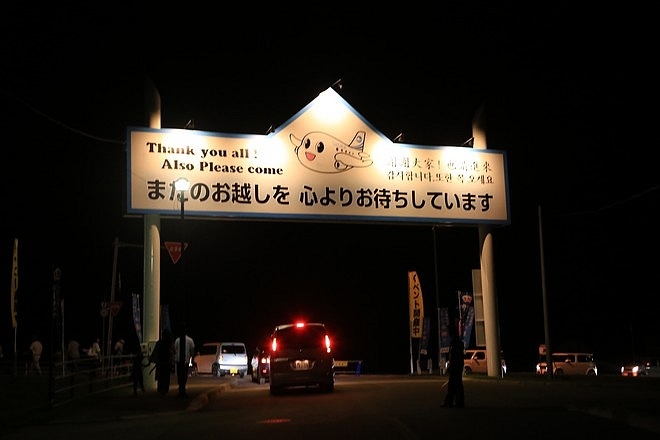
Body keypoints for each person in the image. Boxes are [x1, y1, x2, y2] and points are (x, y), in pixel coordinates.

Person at [442, 322, 465, 408]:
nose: (448, 332)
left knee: (457, 384)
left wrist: (452, 366)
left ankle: (458, 402)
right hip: (456, 366)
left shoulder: (456, 342)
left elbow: (456, 356)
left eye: (449, 330)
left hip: (456, 367)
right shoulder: (454, 341)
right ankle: (450, 401)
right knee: (453, 384)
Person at [150, 329, 174, 395]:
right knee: (166, 377)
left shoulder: (159, 343)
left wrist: (153, 360)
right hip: (167, 362)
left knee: (160, 377)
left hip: (160, 363)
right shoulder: (170, 343)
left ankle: (160, 389)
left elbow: (155, 353)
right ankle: (165, 389)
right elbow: (172, 353)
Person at [174, 329, 195, 397]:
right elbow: (192, 351)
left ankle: (181, 388)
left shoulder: (177, 340)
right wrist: (191, 358)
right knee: (184, 375)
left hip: (178, 360)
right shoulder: (190, 340)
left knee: (179, 376)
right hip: (186, 361)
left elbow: (175, 350)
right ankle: (183, 388)